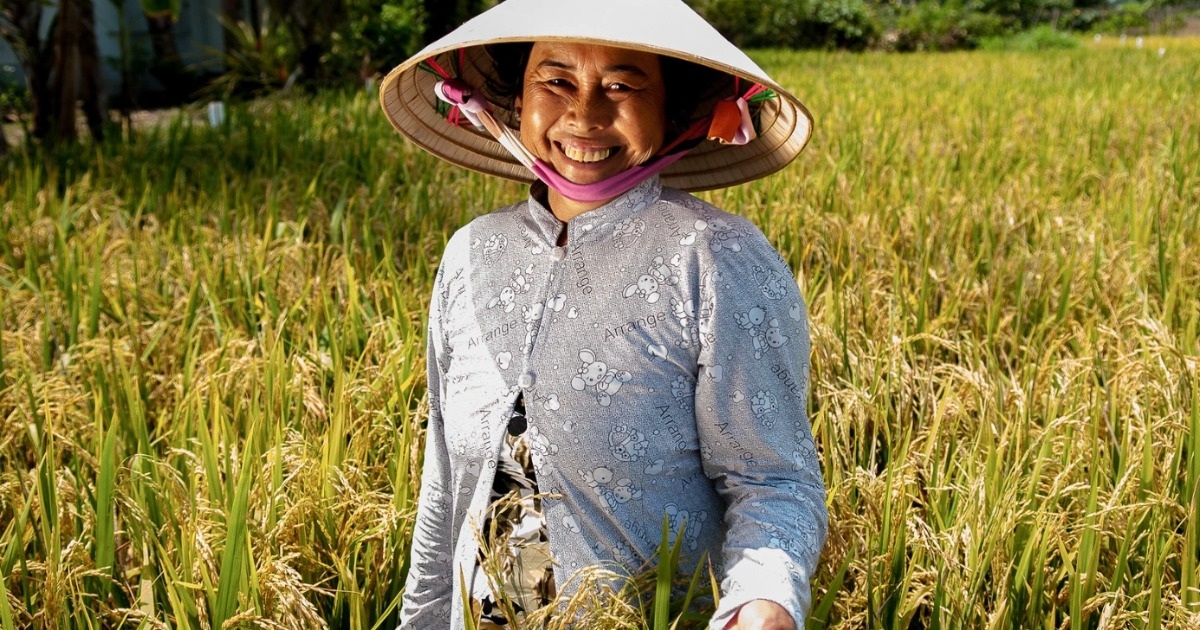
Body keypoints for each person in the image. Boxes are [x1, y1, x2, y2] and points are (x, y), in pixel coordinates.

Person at [379, 1, 827, 628]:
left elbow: (774, 482)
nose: (584, 115)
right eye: (555, 81)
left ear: (672, 108)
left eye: (622, 84)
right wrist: (423, 618)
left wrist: (766, 598)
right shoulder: (471, 254)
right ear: (514, 99)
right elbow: (446, 481)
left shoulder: (714, 259)